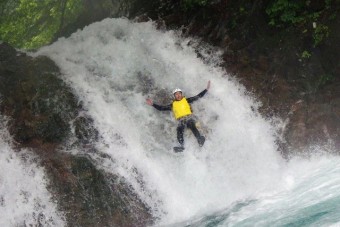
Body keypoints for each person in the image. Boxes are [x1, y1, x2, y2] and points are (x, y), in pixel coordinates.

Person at [146, 81, 211, 152]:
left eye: (179, 93)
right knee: (179, 130)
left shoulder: (187, 100)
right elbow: (161, 108)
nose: (178, 95)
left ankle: (199, 139)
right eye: (176, 94)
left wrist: (206, 89)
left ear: (181, 94)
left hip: (189, 118)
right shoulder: (172, 105)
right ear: (174, 96)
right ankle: (181, 146)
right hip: (181, 120)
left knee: (192, 126)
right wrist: (152, 104)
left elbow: (198, 96)